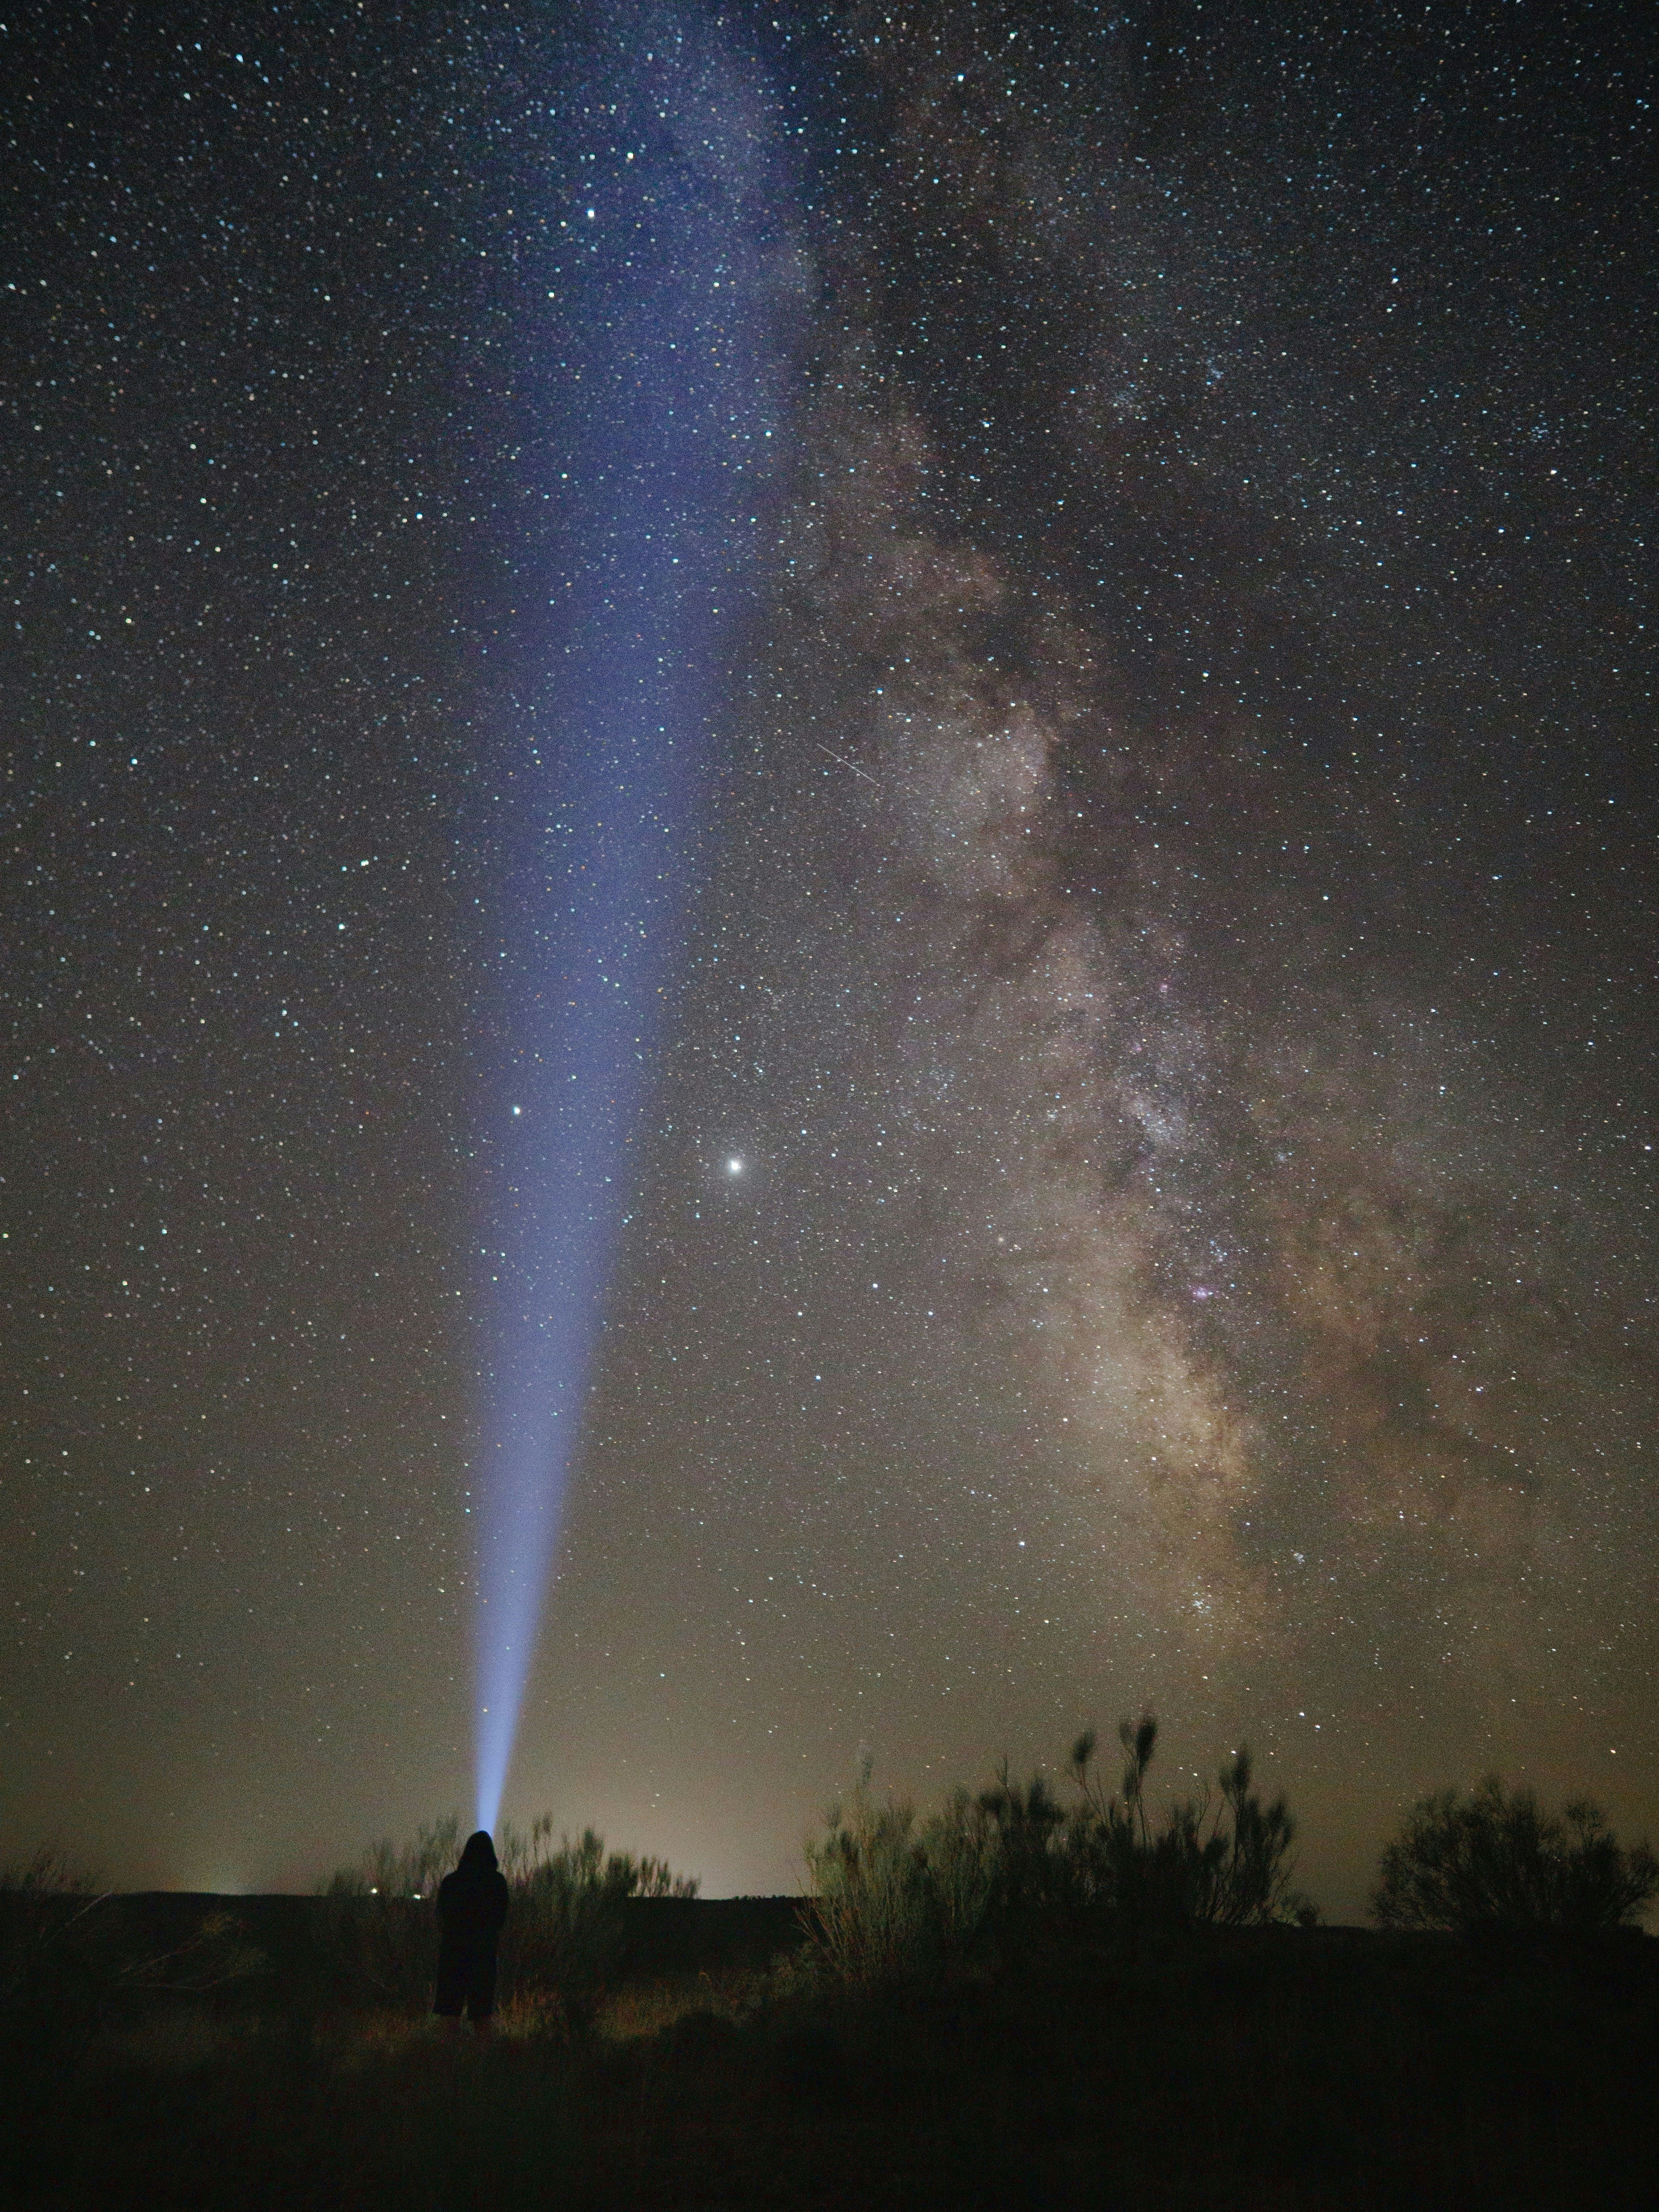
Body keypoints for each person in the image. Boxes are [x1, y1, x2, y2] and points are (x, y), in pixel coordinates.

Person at [434, 1829, 510, 2039]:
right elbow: (500, 1919)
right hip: (483, 1956)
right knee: (482, 2016)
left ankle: (444, 2065)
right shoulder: (496, 1883)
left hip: (453, 1954)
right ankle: (481, 2066)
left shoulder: (452, 1882)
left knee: (449, 2015)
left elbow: (443, 1915)